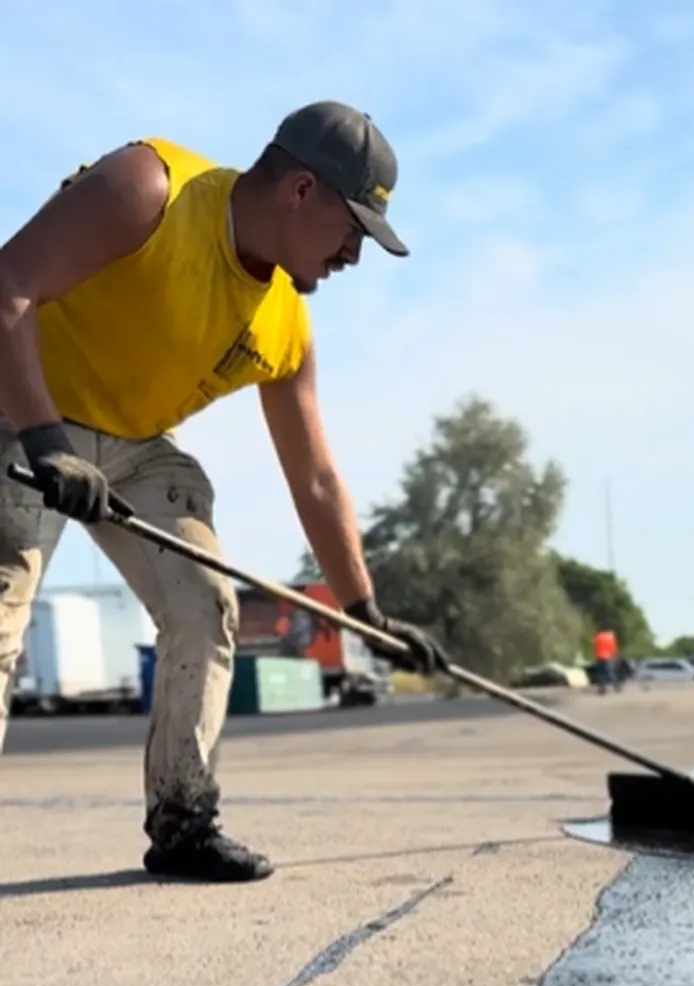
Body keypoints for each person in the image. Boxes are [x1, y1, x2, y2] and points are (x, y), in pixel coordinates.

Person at [0, 101, 445, 883]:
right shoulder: (152, 189)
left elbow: (313, 472)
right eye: (355, 231)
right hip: (20, 410)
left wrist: (363, 610)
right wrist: (45, 443)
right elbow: (7, 284)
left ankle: (183, 822)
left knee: (205, 604)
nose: (355, 255)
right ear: (301, 190)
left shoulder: (286, 326)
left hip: (137, 448)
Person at [592, 626, 620, 694]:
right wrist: (616, 657)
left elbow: (595, 646)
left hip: (600, 657)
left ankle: (602, 689)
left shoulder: (598, 636)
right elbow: (614, 648)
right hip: (608, 657)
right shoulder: (611, 637)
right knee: (610, 673)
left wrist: (595, 655)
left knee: (601, 674)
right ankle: (616, 686)